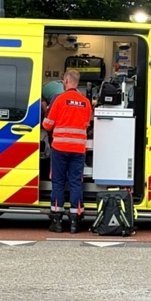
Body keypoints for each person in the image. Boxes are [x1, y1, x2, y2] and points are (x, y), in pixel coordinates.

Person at [41, 70, 92, 233]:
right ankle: (75, 222)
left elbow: (47, 124)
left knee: (58, 183)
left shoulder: (59, 99)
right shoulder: (86, 102)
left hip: (60, 148)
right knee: (76, 183)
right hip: (78, 149)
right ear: (77, 83)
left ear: (65, 81)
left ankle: (56, 222)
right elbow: (87, 125)